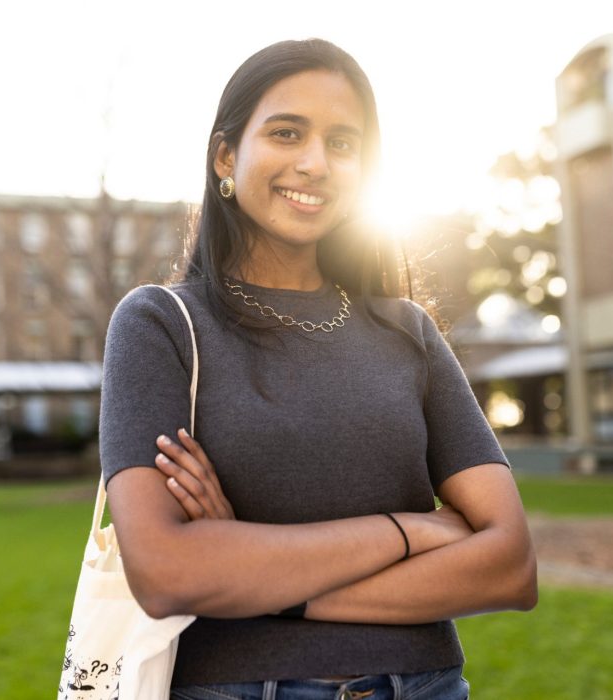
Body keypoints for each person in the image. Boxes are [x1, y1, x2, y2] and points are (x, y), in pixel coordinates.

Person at [100, 38, 537, 700]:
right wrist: (412, 531)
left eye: (342, 143)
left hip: (424, 687)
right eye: (286, 133)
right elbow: (166, 573)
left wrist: (256, 571)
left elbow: (509, 567)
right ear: (226, 155)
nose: (314, 163)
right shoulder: (160, 325)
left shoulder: (407, 330)